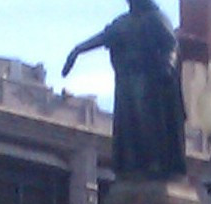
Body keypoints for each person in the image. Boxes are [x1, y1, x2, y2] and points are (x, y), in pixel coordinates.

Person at [63, 0, 188, 181]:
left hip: (149, 81)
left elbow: (171, 45)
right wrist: (77, 51)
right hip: (127, 82)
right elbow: (103, 37)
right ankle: (134, 165)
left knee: (149, 124)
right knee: (129, 125)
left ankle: (155, 163)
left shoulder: (156, 18)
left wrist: (168, 65)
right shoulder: (123, 22)